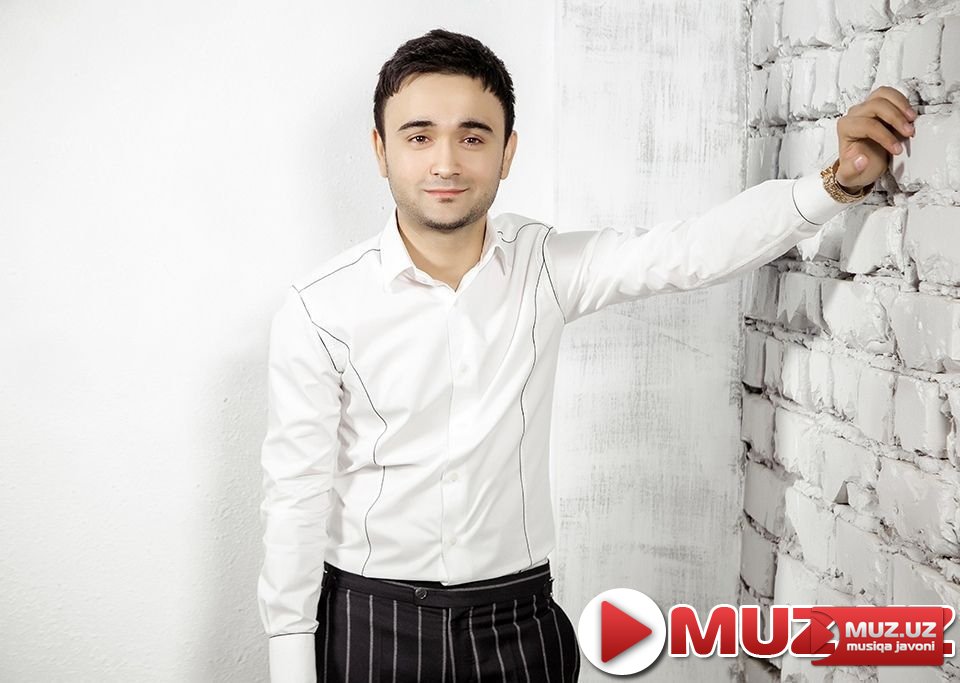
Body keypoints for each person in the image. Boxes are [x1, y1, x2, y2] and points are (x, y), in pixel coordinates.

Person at [256, 27, 916, 683]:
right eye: (419, 136)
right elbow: (295, 497)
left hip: (515, 623)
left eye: (473, 137)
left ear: (507, 152)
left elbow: (686, 251)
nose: (446, 163)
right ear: (381, 150)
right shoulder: (320, 309)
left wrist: (834, 184)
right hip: (371, 621)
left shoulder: (542, 265)